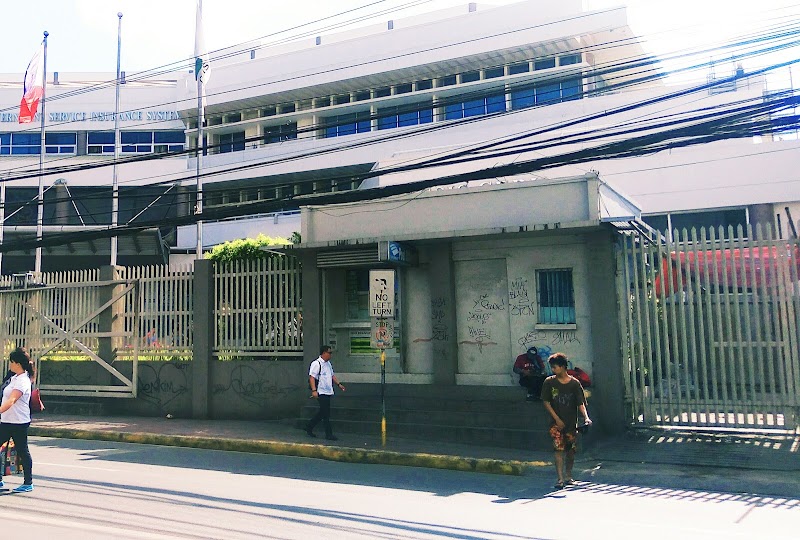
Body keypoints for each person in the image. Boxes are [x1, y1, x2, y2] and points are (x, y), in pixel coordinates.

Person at [540, 352, 591, 490]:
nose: (553, 370)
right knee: (558, 449)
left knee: (570, 450)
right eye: (552, 367)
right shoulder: (549, 382)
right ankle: (560, 479)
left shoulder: (574, 384)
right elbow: (546, 402)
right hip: (555, 424)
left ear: (563, 367)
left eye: (555, 367)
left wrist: (586, 417)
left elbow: (580, 403)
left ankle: (568, 475)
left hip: (571, 424)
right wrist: (557, 419)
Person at [0, 347, 35, 492]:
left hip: (19, 422)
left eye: (11, 362)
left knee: (22, 451)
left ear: (18, 363)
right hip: (6, 420)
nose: (9, 364)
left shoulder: (23, 381)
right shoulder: (14, 377)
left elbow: (12, 400)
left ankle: (28, 483)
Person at [305, 345, 345, 441]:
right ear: (323, 353)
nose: (330, 355)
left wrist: (339, 384)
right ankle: (329, 434)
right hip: (320, 391)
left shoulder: (328, 364)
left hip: (328, 391)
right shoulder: (316, 363)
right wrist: (314, 390)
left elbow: (332, 375)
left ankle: (309, 426)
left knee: (323, 412)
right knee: (326, 414)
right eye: (329, 353)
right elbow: (312, 377)